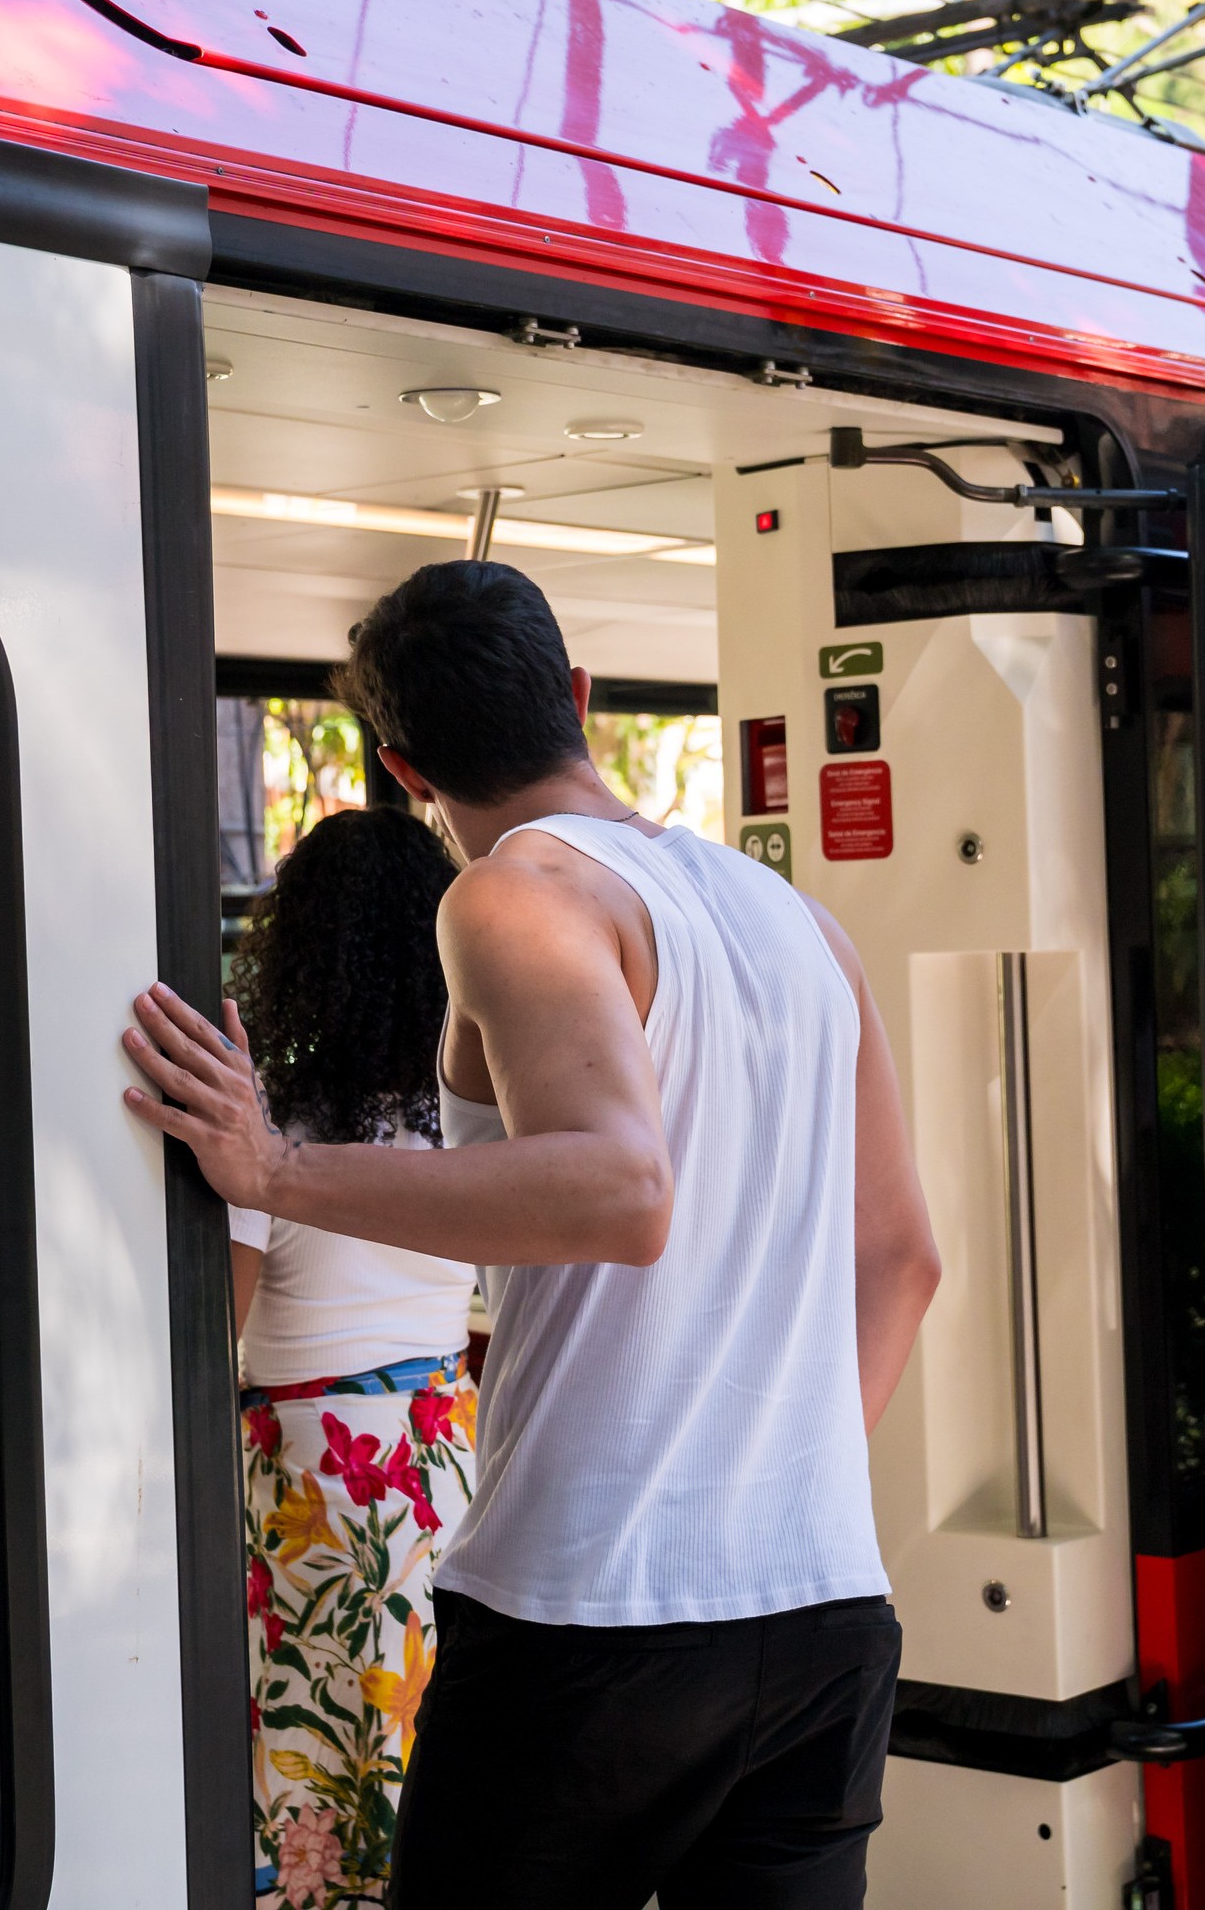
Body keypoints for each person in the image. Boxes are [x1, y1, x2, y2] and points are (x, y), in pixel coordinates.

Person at [122, 560, 942, 1909]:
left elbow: (618, 1189)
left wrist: (273, 1166)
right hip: (822, 1617)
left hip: (591, 1615)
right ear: (576, 695)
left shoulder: (512, 895)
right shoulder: (802, 927)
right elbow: (903, 1261)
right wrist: (765, 1487)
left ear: (402, 769)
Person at [221, 807, 477, 1908]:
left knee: (313, 1759)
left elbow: (212, 1332)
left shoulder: (266, 1132)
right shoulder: (466, 1126)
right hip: (444, 1461)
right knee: (424, 1750)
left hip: (315, 1479)